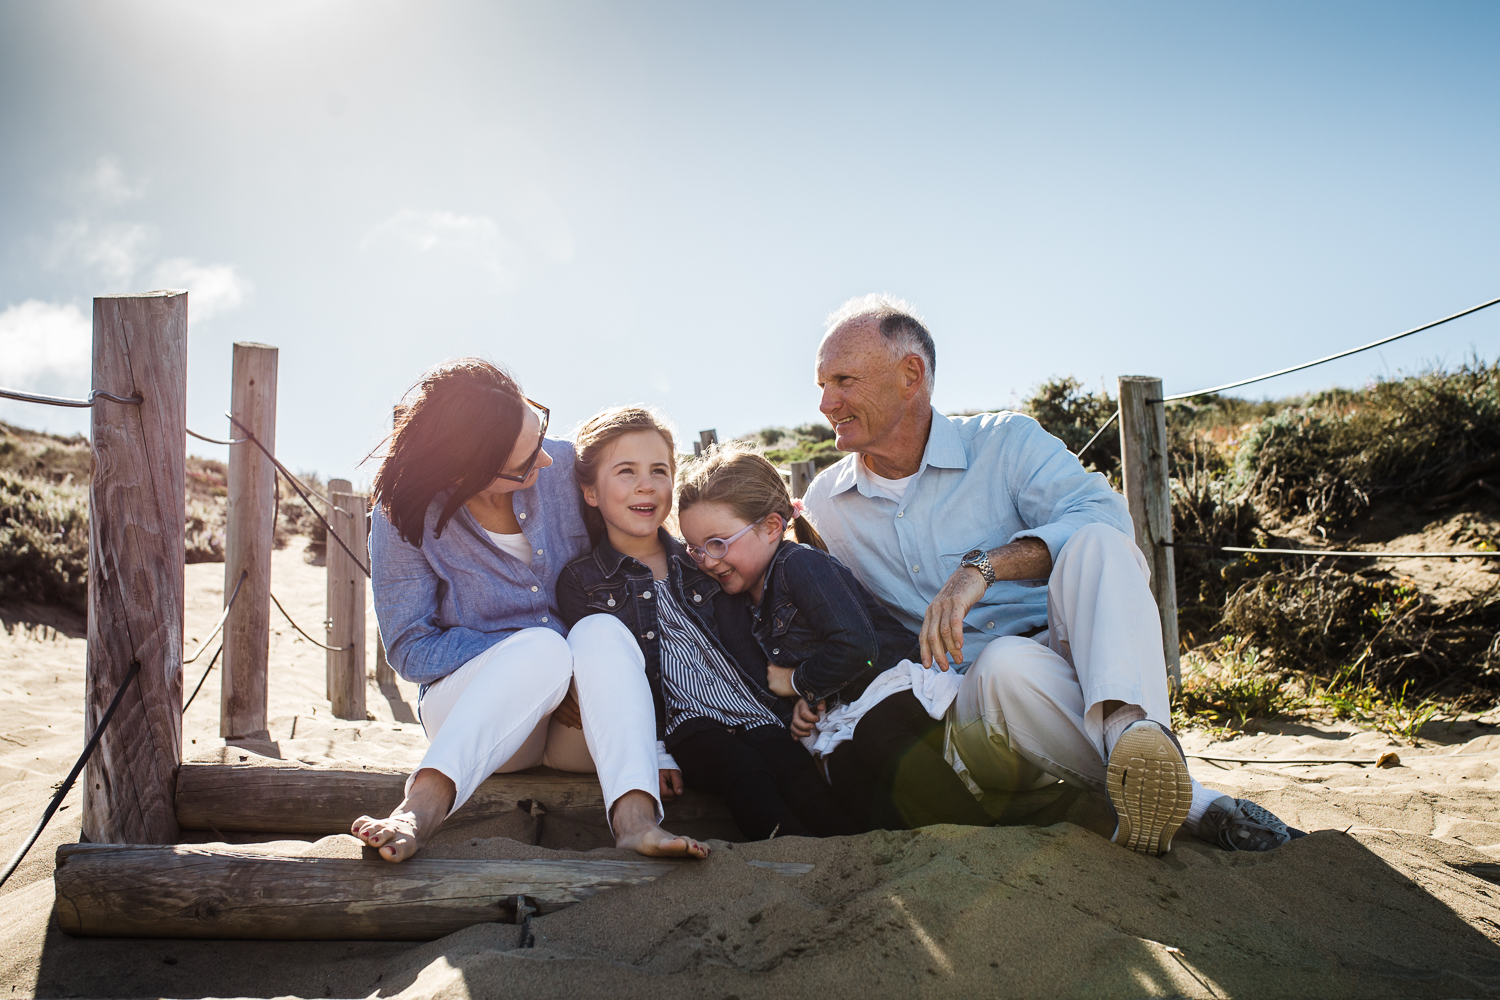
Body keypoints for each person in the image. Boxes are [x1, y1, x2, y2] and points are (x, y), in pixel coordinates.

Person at [801, 294, 1299, 855]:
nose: (826, 402)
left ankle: (1137, 742)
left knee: (1097, 542)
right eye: (821, 384)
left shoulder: (1006, 443)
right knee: (1004, 664)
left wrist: (983, 569)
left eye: (842, 380)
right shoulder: (826, 505)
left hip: (1078, 669)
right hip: (971, 716)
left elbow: (1108, 518)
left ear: (910, 374)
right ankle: (1194, 798)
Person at [349, 360, 708, 862]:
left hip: (578, 724)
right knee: (543, 647)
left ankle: (635, 820)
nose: (544, 460)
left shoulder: (563, 467)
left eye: (538, 430)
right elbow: (410, 648)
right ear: (463, 473)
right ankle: (419, 809)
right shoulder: (401, 516)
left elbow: (639, 541)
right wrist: (541, 661)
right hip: (478, 714)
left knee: (600, 630)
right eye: (521, 464)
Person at [557, 409, 854, 840]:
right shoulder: (582, 581)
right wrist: (654, 752)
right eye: (626, 472)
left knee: (799, 775)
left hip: (759, 709)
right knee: (744, 774)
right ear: (589, 491)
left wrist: (808, 687)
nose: (646, 484)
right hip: (687, 727)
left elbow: (766, 626)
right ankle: (784, 859)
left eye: (659, 471)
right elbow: (613, 682)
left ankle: (851, 854)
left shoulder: (703, 560)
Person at [676, 443, 992, 833]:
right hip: (845, 711)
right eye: (694, 549)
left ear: (772, 527)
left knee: (877, 735)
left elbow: (857, 646)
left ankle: (979, 832)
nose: (706, 559)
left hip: (890, 686)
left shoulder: (799, 565)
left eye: (717, 543)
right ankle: (896, 851)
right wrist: (802, 704)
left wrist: (799, 683)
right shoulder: (742, 603)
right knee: (843, 768)